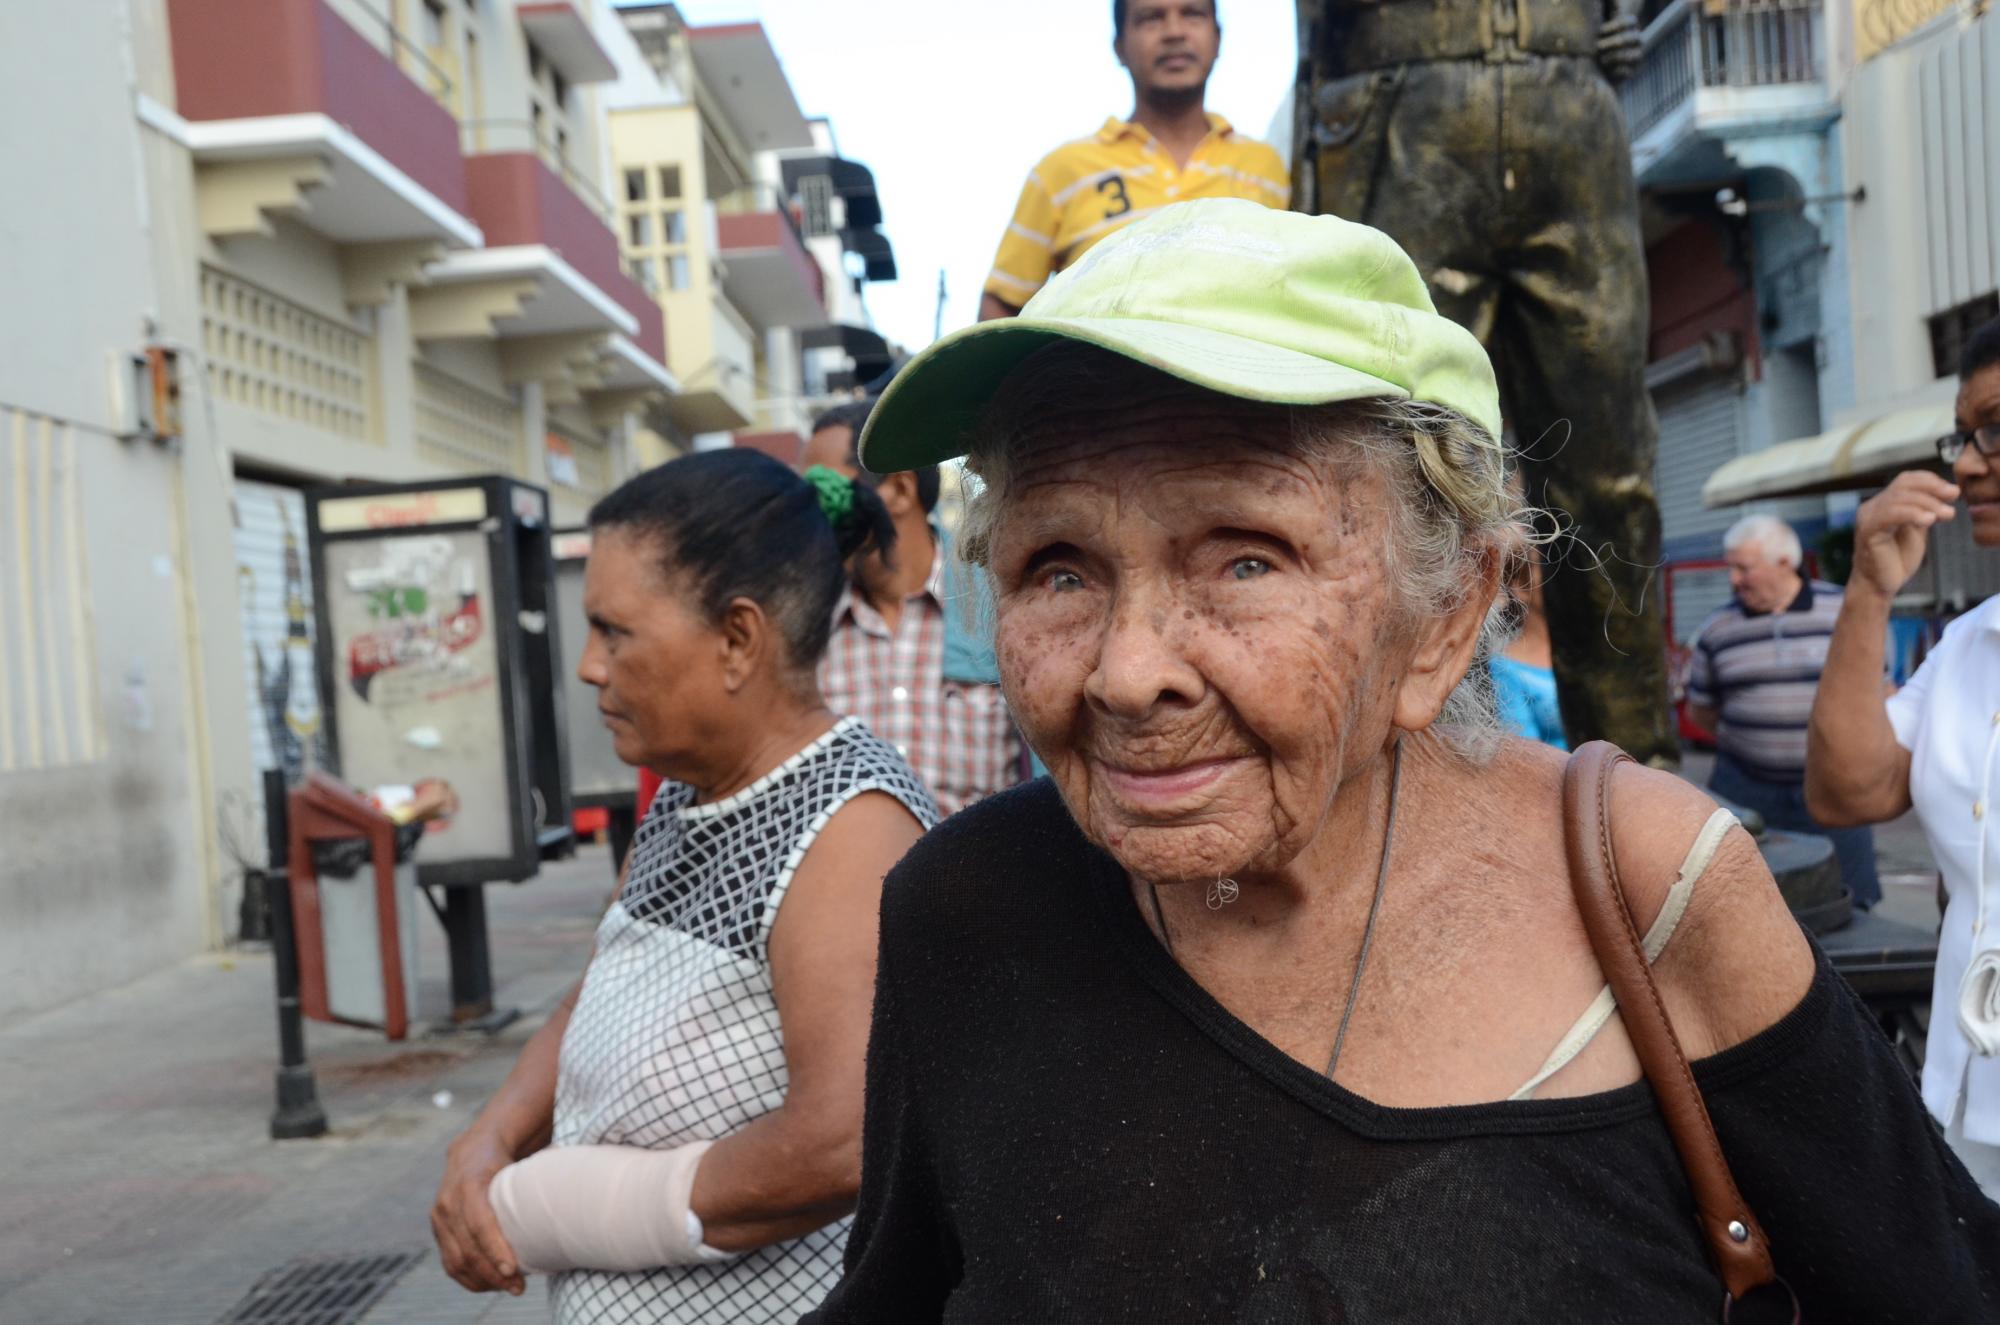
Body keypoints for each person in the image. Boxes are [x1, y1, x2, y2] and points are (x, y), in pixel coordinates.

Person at [803, 201, 1999, 1322]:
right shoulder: (961, 909)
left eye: (1245, 560)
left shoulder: (1654, 884)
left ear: (1443, 613)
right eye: (1056, 566)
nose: (1125, 672)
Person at [429, 450, 937, 1323]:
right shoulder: (685, 797)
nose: (590, 666)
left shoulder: (851, 831)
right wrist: (494, 1135)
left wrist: (571, 1208)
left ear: (737, 639)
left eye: (614, 631)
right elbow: (597, 989)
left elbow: (844, 1141)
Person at [1295, 0, 1676, 767]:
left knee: (1610, 470)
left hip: (1570, 98)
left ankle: (1638, 771)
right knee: (1402, 460)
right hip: (1402, 94)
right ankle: (1412, 772)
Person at [1805, 315, 2000, 1198]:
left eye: (1993, 428)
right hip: (1968, 1097)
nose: (1964, 463)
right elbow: (1850, 788)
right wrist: (1869, 590)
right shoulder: (1968, 644)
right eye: (1963, 434)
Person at [978, 0, 1287, 321]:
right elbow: (1001, 306)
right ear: (1120, 48)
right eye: (1151, 18)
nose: (1174, 32)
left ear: (1218, 39)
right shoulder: (1062, 171)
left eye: (1192, 14)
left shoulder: (1267, 168)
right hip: (1099, 370)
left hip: (1232, 369)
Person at [799, 401, 1028, 815]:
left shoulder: (999, 607)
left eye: (823, 492)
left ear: (899, 491)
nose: (811, 517)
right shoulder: (804, 633)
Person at [1685, 514, 1880, 908]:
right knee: (1743, 907)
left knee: (1851, 904)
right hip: (1746, 791)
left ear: (1785, 562)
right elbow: (1702, 711)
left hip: (1835, 786)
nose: (1734, 580)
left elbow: (1879, 692)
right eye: (1731, 568)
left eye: (1744, 568)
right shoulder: (1717, 628)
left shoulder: (1844, 611)